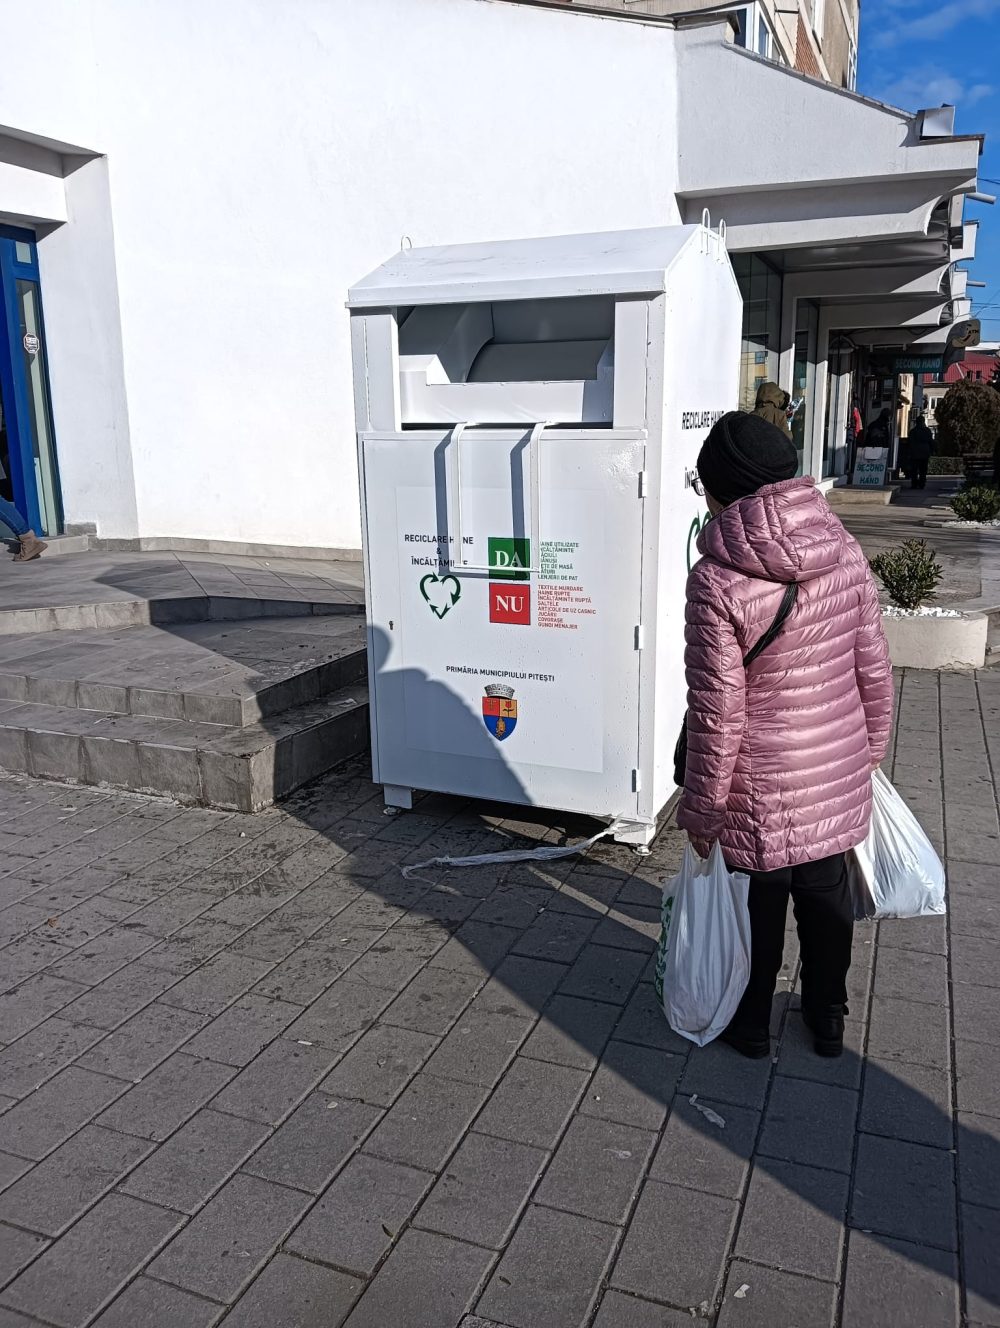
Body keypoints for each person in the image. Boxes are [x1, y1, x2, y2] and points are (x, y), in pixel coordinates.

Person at [678, 412, 894, 1060]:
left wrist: (703, 810)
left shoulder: (715, 580)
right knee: (828, 904)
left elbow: (719, 715)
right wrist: (868, 754)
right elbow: (873, 669)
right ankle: (827, 1018)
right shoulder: (843, 547)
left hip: (758, 789)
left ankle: (750, 1027)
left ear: (721, 491)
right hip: (834, 774)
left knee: (758, 906)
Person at [906, 414, 934, 490]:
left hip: (915, 453)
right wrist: (932, 451)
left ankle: (914, 484)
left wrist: (909, 452)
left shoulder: (913, 431)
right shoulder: (927, 431)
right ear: (923, 422)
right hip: (925, 453)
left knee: (914, 470)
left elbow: (910, 442)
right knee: (923, 470)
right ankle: (922, 484)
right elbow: (931, 441)